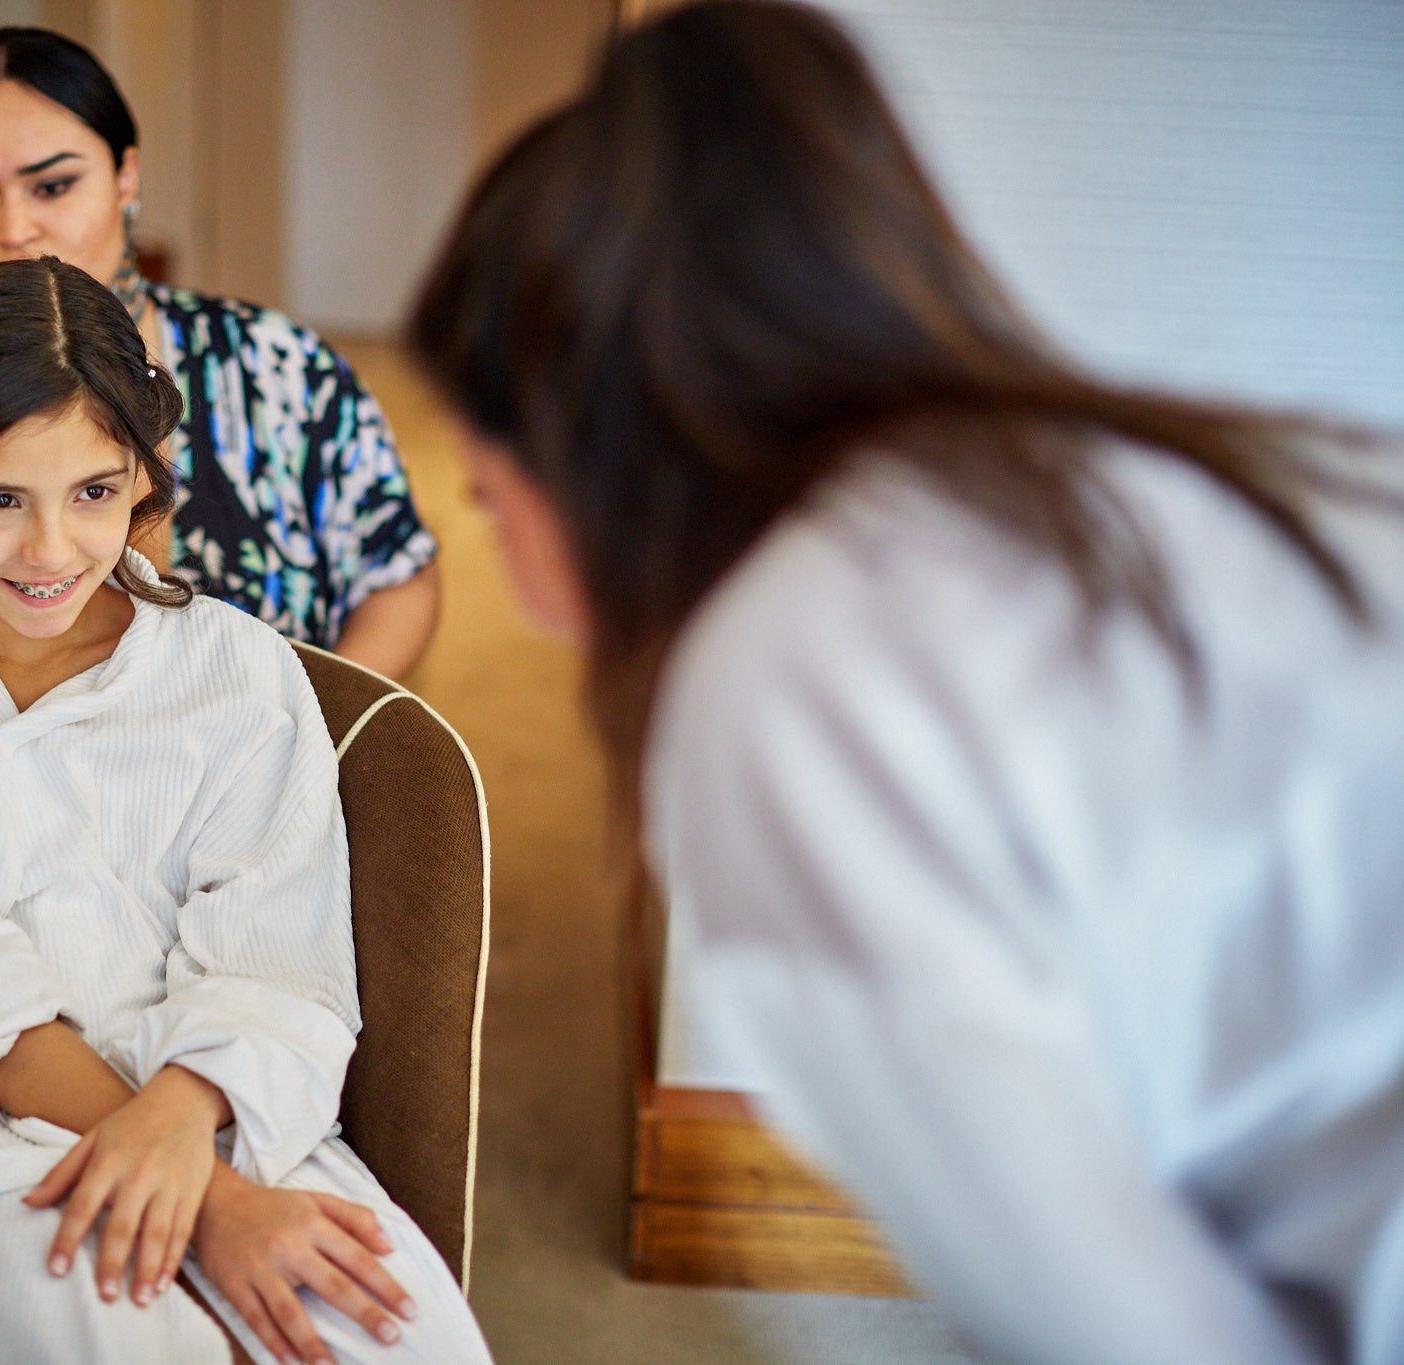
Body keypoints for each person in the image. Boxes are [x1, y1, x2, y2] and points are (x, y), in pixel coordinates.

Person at [409, 4, 1404, 1363]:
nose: (499, 551)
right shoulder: (1178, 467)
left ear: (585, 456)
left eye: (487, 490)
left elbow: (1132, 1331)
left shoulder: (782, 692)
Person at [0, 257, 492, 1365]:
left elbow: (278, 954)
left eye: (92, 492)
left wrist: (190, 1137)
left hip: (218, 1107)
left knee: (394, 1334)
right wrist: (207, 1211)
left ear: (142, 474)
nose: (50, 552)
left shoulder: (236, 669)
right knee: (124, 1336)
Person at [0, 28, 440, 679]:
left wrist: (315, 735)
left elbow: (398, 575)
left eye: (52, 187)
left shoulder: (283, 370)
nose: (15, 229)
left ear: (126, 176)